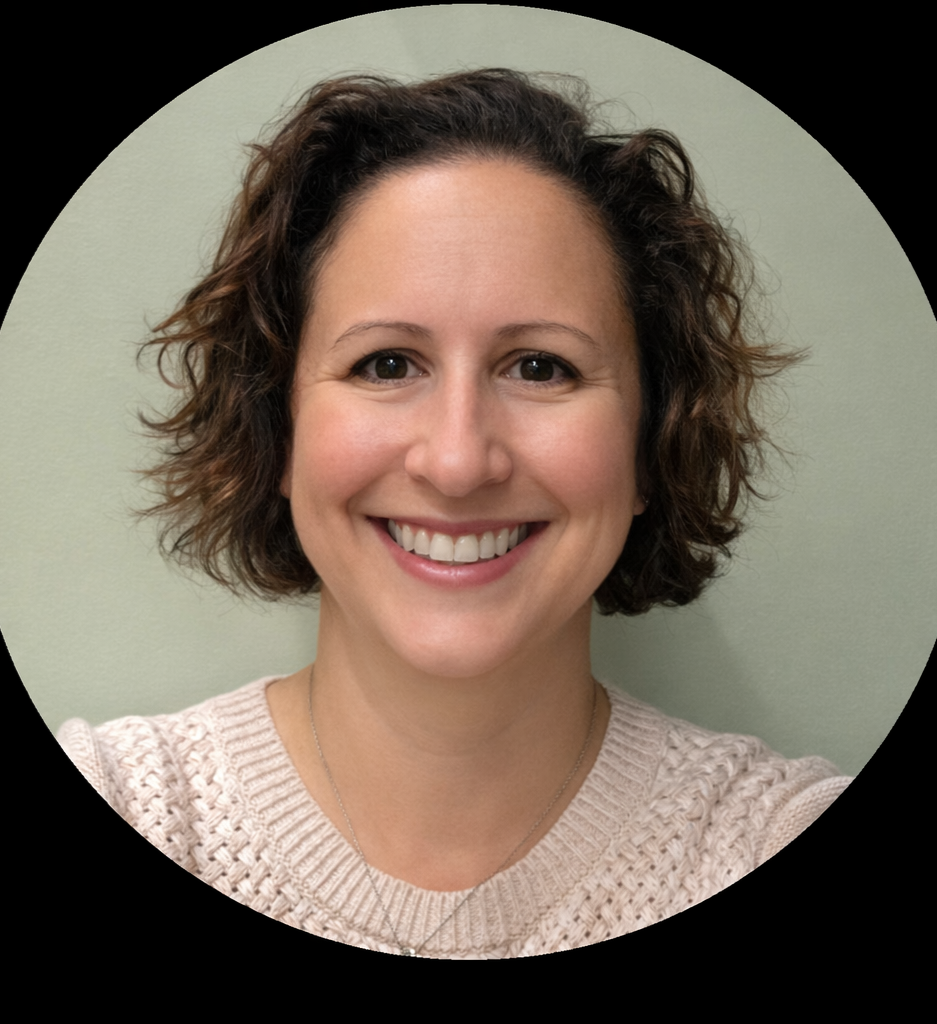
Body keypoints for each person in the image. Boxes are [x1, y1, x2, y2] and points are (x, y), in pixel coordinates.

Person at [57, 68, 850, 958]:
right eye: (387, 365)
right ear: (276, 428)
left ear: (649, 440)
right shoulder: (122, 803)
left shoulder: (767, 840)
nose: (458, 460)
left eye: (541, 367)